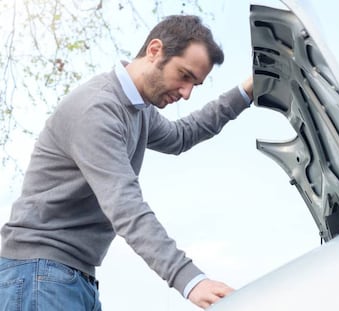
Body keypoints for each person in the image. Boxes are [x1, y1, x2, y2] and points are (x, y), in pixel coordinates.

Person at [0, 15, 253, 310]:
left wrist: (246, 92)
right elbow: (125, 205)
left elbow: (182, 136)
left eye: (195, 84)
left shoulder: (136, 109)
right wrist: (190, 280)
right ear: (155, 50)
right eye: (184, 76)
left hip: (70, 275)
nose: (186, 93)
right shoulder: (98, 110)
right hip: (40, 274)